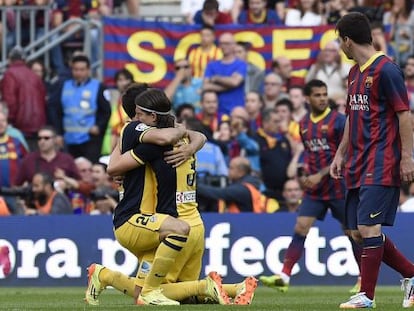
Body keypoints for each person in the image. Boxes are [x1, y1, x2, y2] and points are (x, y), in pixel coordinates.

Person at [85, 86, 256, 305]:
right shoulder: (151, 135)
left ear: (151, 115)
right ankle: (222, 287)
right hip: (167, 221)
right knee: (156, 292)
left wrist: (190, 139)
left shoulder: (154, 140)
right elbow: (115, 167)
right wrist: (190, 139)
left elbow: (114, 166)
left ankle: (215, 287)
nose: (139, 116)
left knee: (160, 294)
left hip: (165, 222)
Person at [330, 12, 414, 309]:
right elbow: (353, 117)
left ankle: (366, 296)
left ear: (347, 40)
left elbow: (404, 114)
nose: (338, 45)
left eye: (338, 40)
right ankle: (411, 275)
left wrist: (407, 157)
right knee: (355, 231)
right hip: (357, 161)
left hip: (382, 159)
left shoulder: (387, 70)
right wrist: (341, 152)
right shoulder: (354, 73)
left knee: (368, 229)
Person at [260, 79, 360, 294]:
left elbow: (345, 154)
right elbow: (312, 155)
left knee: (353, 233)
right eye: (317, 95)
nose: (322, 98)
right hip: (315, 190)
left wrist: (319, 175)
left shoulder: (340, 121)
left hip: (339, 186)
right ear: (307, 98)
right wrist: (306, 173)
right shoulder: (304, 125)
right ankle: (284, 276)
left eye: (324, 94)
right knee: (300, 227)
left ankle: (363, 278)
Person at [49, 54, 111, 163]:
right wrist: (58, 133)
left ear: (88, 70)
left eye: (82, 69)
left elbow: (106, 111)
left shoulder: (98, 86)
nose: (78, 73)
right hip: (68, 139)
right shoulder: (64, 86)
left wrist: (99, 126)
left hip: (89, 138)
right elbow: (56, 111)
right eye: (75, 69)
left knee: (88, 170)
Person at [0, 46, 47, 151]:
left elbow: (9, 102)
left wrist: (7, 121)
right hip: (38, 125)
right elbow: (43, 100)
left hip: (20, 126)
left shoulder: (10, 74)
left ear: (9, 59)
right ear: (25, 60)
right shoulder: (34, 75)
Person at [197, 156, 264, 213]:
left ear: (240, 172)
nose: (228, 170)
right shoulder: (250, 184)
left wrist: (195, 186)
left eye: (231, 168)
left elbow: (219, 193)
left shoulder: (242, 189)